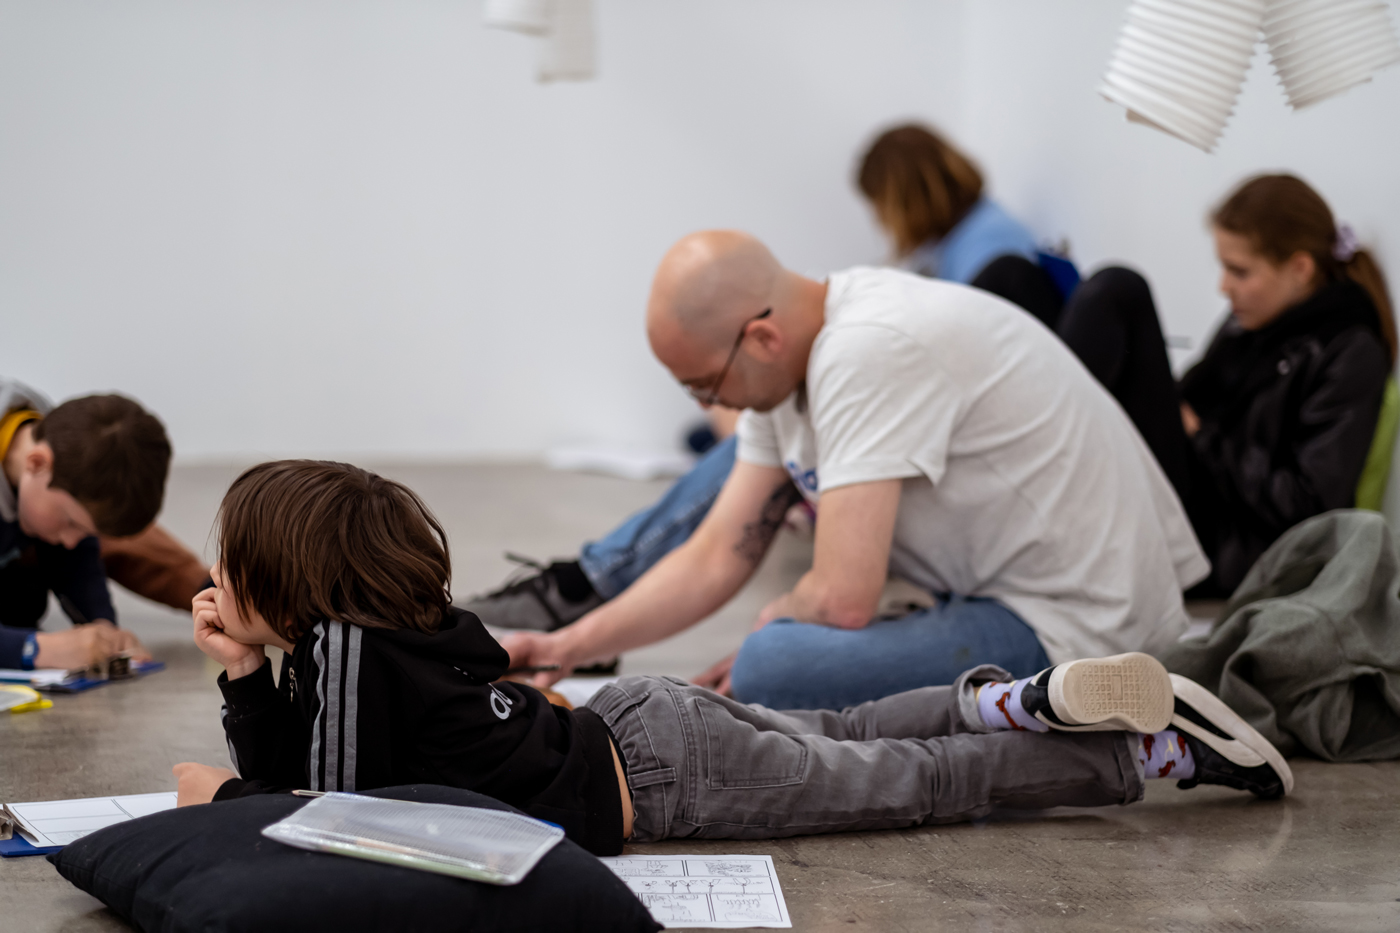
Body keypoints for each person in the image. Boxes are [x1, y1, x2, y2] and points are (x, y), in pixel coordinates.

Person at [172, 459, 1290, 859]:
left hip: (660, 781)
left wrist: (226, 792)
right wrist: (241, 672)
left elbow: (320, 815)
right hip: (640, 725)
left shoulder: (343, 657)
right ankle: (1009, 702)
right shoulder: (370, 640)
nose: (219, 583)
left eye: (233, 565)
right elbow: (330, 761)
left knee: (911, 786)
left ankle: (1142, 757)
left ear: (287, 583)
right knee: (852, 737)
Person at [498, 231, 1206, 710]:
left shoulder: (866, 351)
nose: (710, 406)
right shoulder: (791, 359)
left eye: (706, 385)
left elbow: (841, 599)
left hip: (1084, 623)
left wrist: (766, 639)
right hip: (1002, 593)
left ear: (761, 337)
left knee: (775, 669)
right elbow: (717, 553)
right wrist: (568, 644)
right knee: (774, 658)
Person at [463, 124, 1068, 639]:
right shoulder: (956, 247)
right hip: (909, 432)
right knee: (725, 438)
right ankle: (588, 592)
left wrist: (779, 620)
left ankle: (585, 584)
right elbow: (715, 558)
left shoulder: (984, 254)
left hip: (956, 470)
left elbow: (927, 388)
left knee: (737, 459)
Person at [1057, 174, 1395, 594]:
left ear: (1300, 269)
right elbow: (1195, 396)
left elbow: (1309, 505)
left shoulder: (1349, 350)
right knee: (1017, 275)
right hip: (1200, 496)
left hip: (1231, 544)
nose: (1223, 286)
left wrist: (1202, 437)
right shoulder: (1257, 321)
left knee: (1120, 291)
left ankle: (1044, 481)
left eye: (1239, 271)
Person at [0, 380, 205, 671]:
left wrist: (102, 629)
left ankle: (224, 594)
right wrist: (33, 649)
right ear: (36, 463)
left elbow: (77, 555)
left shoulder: (58, 451)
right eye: (70, 521)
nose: (71, 540)